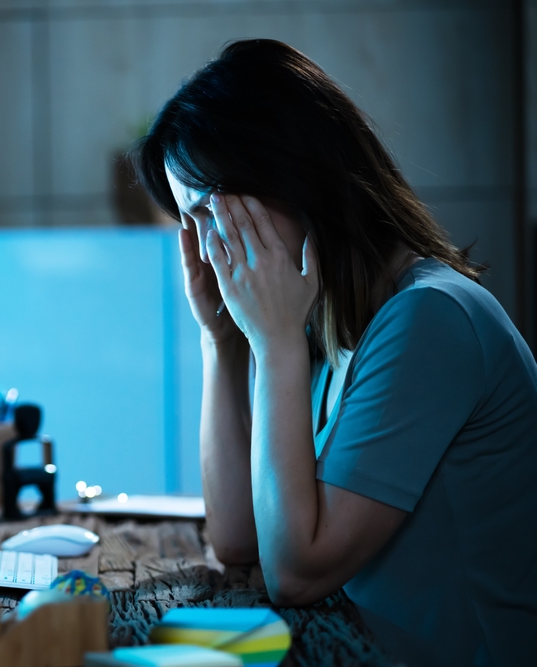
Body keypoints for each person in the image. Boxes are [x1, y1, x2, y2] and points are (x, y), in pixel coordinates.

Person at [134, 39, 537, 666]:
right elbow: (241, 539)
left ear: (292, 172)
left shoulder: (430, 319)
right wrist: (221, 339)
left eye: (218, 209)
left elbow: (295, 575)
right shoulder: (332, 319)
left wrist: (272, 343)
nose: (211, 246)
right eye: (194, 221)